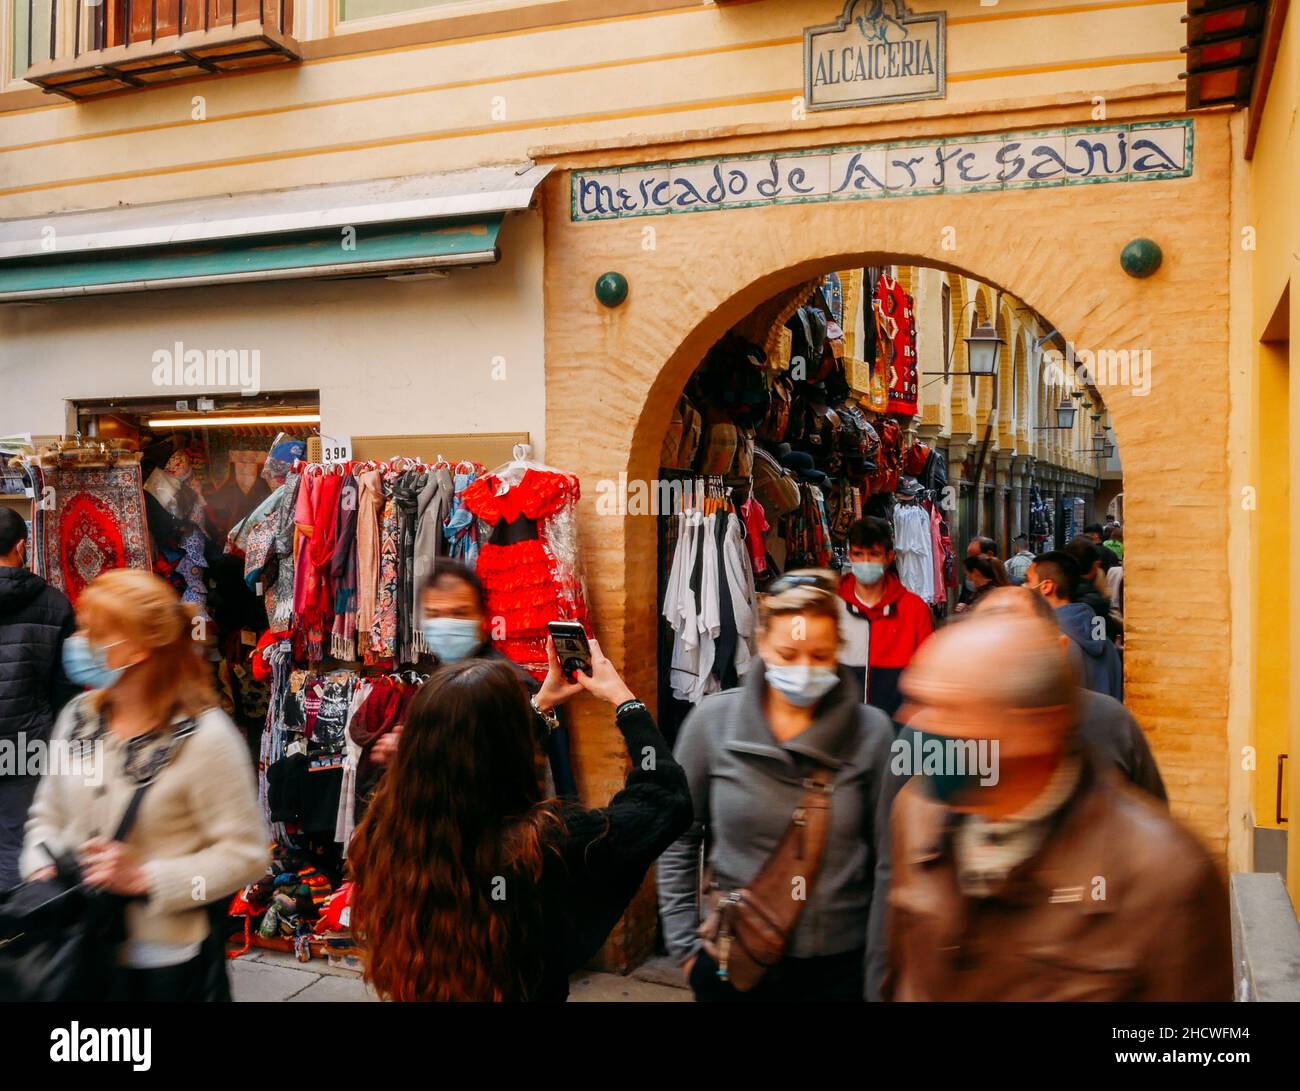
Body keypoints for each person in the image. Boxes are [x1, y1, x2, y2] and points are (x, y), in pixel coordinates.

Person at [883, 613, 1231, 1001]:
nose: (914, 724)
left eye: (947, 708)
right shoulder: (915, 818)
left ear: (1031, 728)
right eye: (917, 701)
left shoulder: (1164, 879)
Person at [349, 636, 691, 1001]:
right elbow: (664, 796)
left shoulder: (387, 832)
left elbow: (464, 756)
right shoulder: (541, 851)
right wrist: (626, 703)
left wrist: (540, 705)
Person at [20, 569, 268, 1001]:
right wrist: (42, 863)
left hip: (162, 964)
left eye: (91, 632)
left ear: (134, 649)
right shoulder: (79, 717)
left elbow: (245, 858)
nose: (77, 642)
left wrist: (147, 879)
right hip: (74, 948)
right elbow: (46, 814)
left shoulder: (206, 738)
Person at [658, 570, 900, 1003]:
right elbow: (678, 833)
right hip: (737, 958)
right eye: (788, 654)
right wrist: (686, 949)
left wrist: (879, 969)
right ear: (763, 645)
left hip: (840, 970)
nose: (803, 670)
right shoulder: (713, 724)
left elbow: (888, 862)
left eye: (819, 655)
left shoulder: (873, 733)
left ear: (838, 653)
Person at [370, 561, 575, 797]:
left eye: (458, 613)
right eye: (435, 614)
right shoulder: (438, 683)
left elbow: (499, 772)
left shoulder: (510, 686)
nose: (446, 623)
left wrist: (414, 754)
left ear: (481, 617)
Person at [975, 586, 1164, 801]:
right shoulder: (949, 723)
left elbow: (1152, 814)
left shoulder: (1110, 721)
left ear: (1059, 647)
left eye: (1021, 640)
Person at [0, 508, 76, 889]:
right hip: (26, 742)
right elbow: (65, 687)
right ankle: (16, 931)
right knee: (18, 839)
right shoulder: (54, 603)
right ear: (21, 545)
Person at [836, 518, 934, 721]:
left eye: (874, 555)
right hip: (841, 727)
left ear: (889, 557)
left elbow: (928, 672)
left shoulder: (915, 609)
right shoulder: (831, 607)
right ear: (850, 556)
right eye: (858, 554)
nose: (865, 562)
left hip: (896, 728)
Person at [1027, 551, 1124, 702]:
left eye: (1028, 581)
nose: (1025, 587)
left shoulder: (1045, 641)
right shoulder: (1104, 640)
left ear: (1046, 586)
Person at [1064, 536, 1120, 641]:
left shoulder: (1058, 592)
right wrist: (1104, 593)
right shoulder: (1096, 603)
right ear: (1096, 565)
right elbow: (1100, 643)